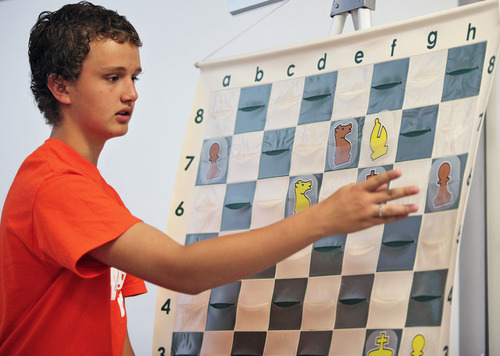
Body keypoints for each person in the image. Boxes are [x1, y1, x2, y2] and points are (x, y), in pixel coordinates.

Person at [0, 2, 419, 355]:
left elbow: (114, 329)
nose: (131, 93)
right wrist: (324, 218)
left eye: (134, 77)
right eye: (113, 78)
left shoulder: (89, 186)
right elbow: (183, 271)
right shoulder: (55, 184)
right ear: (61, 87)